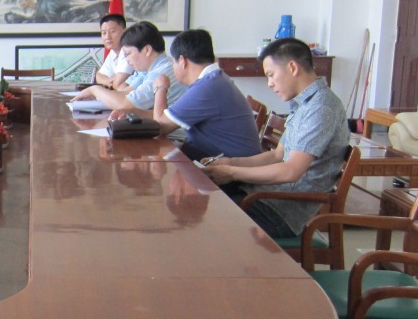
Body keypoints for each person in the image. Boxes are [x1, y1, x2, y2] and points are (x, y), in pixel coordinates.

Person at [204, 37, 350, 238]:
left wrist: (232, 173)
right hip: (265, 196)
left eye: (271, 75)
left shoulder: (321, 108)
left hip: (281, 211)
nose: (270, 84)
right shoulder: (304, 104)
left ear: (293, 67)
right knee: (202, 197)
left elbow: (291, 171)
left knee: (205, 216)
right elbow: (276, 155)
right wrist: (229, 162)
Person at [142, 29, 262, 162]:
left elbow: (159, 126)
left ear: (182, 61)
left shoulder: (207, 87)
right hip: (217, 161)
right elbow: (168, 117)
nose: (173, 66)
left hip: (230, 169)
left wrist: (160, 88)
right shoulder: (214, 80)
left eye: (174, 62)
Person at [71, 21, 185, 112]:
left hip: (172, 133)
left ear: (147, 50)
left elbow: (126, 105)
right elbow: (125, 94)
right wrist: (99, 95)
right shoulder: (147, 69)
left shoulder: (161, 72)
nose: (127, 60)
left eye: (128, 54)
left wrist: (95, 90)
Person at [94, 13, 132, 89]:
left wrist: (111, 81)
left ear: (124, 32)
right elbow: (99, 76)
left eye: (112, 31)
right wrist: (109, 81)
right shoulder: (113, 52)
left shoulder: (129, 51)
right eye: (104, 33)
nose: (107, 37)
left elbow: (118, 83)